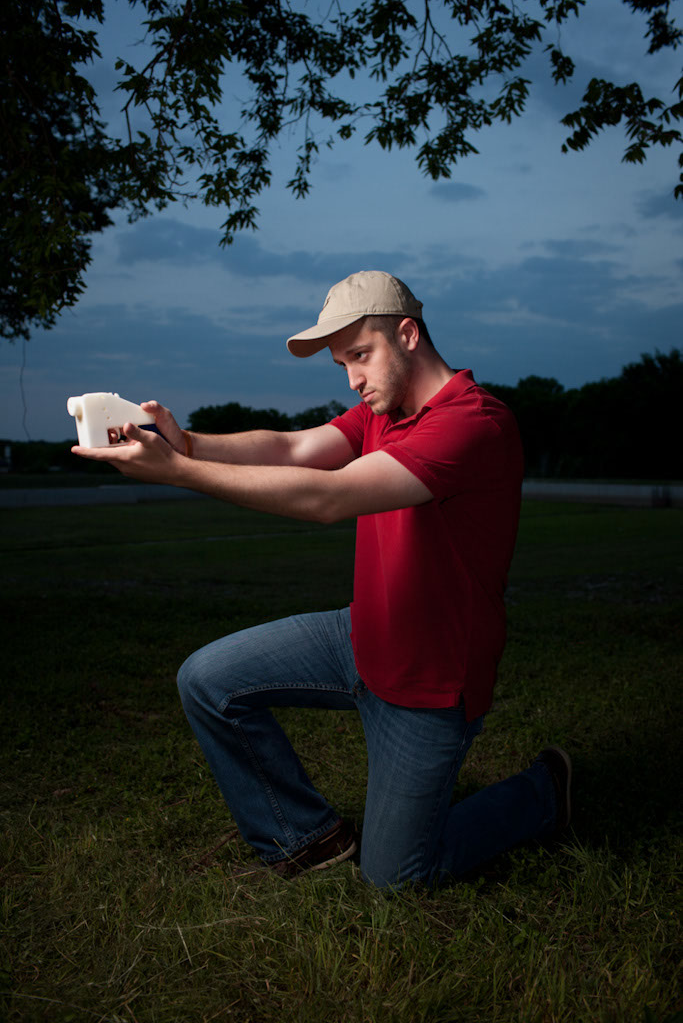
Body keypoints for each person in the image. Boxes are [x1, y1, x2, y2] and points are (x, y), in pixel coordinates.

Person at [73, 269, 571, 889]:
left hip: (431, 678)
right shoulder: (381, 412)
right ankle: (306, 839)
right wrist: (189, 442)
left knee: (395, 878)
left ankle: (542, 792)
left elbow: (328, 498)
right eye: (342, 364)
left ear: (408, 335)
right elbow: (290, 449)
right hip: (361, 637)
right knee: (207, 681)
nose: (354, 378)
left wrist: (177, 472)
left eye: (361, 356)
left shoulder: (473, 422)